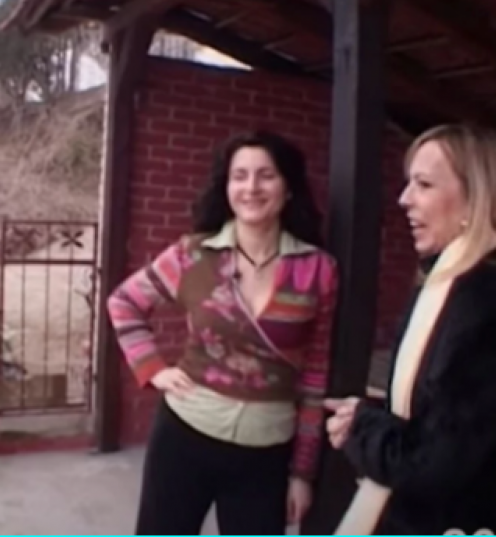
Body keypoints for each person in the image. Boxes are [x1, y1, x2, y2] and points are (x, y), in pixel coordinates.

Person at [324, 123, 496, 535]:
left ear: (477, 199)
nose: (404, 199)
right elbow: (433, 418)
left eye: (424, 184)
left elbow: (433, 463)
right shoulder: (450, 288)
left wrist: (361, 426)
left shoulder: (491, 302)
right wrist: (369, 417)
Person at [107, 131, 339, 535]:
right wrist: (153, 368)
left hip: (266, 452)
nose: (251, 187)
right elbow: (124, 302)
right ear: (227, 187)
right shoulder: (192, 254)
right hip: (184, 437)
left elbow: (316, 375)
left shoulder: (317, 270)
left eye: (266, 175)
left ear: (288, 188)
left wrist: (303, 472)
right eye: (239, 176)